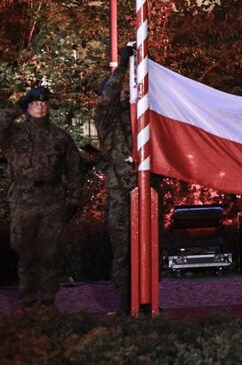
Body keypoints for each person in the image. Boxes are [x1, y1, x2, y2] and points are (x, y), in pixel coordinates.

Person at [0, 85, 81, 308]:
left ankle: (47, 299)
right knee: (24, 251)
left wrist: (74, 198)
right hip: (23, 199)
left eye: (44, 103)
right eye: (35, 103)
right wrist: (17, 106)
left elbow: (74, 168)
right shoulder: (13, 134)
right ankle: (28, 299)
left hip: (52, 199)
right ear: (27, 107)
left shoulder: (60, 136)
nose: (40, 107)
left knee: (50, 251)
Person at [94, 45, 136, 315]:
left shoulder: (136, 112)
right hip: (121, 190)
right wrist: (122, 66)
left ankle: (146, 296)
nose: (121, 93)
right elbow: (110, 95)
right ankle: (124, 300)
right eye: (117, 90)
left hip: (145, 187)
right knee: (122, 246)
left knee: (147, 244)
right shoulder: (104, 116)